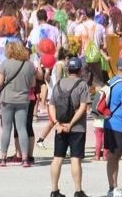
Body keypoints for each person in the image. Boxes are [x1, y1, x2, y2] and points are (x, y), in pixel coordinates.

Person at [48, 56, 90, 197]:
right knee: (75, 159)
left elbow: (51, 105)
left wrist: (56, 123)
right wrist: (71, 124)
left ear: (67, 69)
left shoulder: (58, 84)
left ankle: (54, 190)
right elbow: (83, 107)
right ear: (80, 69)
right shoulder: (82, 84)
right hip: (77, 128)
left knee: (57, 158)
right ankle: (78, 191)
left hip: (60, 126)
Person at [0, 41, 35, 167]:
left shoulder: (5, 64)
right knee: (22, 128)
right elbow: (32, 84)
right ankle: (25, 158)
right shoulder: (29, 65)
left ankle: (3, 158)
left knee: (6, 128)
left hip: (7, 99)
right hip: (23, 99)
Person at [104, 58, 122, 197]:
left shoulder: (111, 81)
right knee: (116, 156)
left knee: (112, 156)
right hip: (120, 125)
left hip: (108, 122)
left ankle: (112, 186)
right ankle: (114, 187)